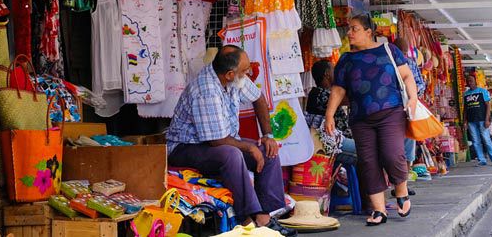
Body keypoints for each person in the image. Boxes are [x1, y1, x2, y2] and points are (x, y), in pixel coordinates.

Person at [165, 45, 297, 237]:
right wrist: (249, 148)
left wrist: (268, 136)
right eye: (245, 70)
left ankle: (267, 217)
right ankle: (249, 218)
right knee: (231, 154)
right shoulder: (206, 90)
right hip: (186, 147)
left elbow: (259, 98)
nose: (249, 73)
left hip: (219, 141)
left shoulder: (235, 78)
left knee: (268, 151)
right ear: (229, 74)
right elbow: (217, 141)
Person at [324, 14, 419, 226]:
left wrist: (413, 98)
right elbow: (339, 89)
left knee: (392, 153)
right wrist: (329, 114)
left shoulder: (389, 50)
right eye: (349, 29)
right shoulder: (346, 60)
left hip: (391, 112)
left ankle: (401, 191)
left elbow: (406, 76)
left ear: (369, 32)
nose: (349, 33)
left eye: (354, 28)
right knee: (368, 162)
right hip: (360, 118)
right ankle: (379, 209)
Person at [305, 60, 356, 166]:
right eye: (334, 70)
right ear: (327, 74)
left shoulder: (323, 93)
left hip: (338, 140)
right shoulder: (318, 93)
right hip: (332, 143)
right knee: (367, 152)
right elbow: (350, 98)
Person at [394, 37, 425, 195]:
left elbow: (419, 85)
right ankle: (401, 186)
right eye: (403, 51)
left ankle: (401, 186)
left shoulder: (408, 63)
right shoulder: (407, 62)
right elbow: (421, 85)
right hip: (401, 112)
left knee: (404, 149)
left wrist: (410, 94)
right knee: (404, 149)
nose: (404, 55)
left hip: (400, 112)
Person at [464, 76, 492, 166]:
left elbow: (487, 105)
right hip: (471, 120)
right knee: (476, 141)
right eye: (468, 81)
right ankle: (481, 160)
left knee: (486, 139)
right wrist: (465, 121)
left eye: (471, 81)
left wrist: (487, 119)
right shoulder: (466, 94)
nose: (469, 82)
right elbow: (465, 108)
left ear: (475, 81)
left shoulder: (482, 91)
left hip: (482, 120)